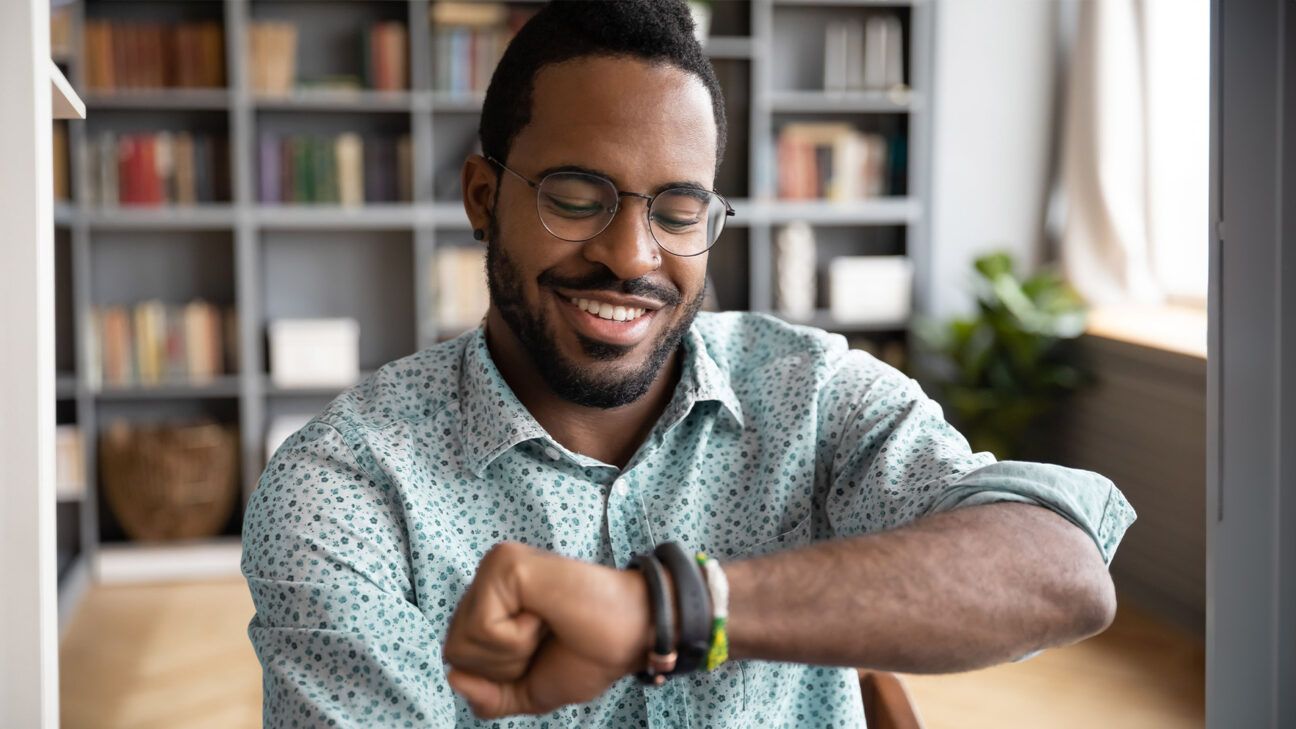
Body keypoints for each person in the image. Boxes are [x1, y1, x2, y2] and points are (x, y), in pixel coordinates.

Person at [241, 1, 1135, 726]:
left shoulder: (810, 394)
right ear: (484, 198)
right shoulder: (344, 488)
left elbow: (1062, 571)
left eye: (677, 210)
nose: (632, 255)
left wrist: (668, 609)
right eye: (577, 197)